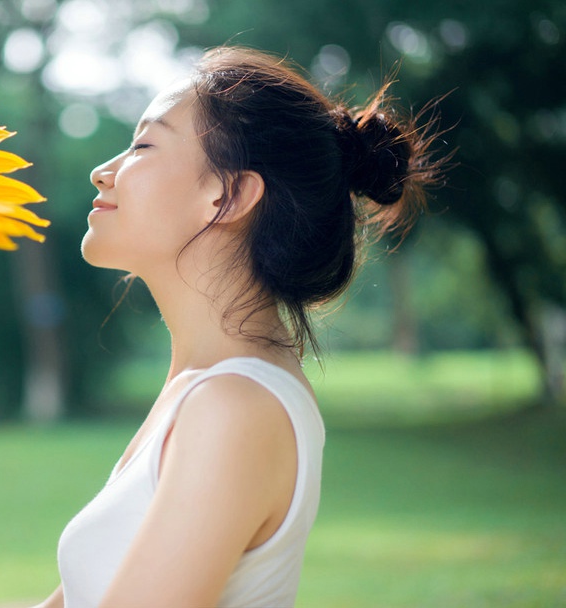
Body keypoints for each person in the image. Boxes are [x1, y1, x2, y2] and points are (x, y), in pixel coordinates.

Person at [36, 46, 443, 608]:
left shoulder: (235, 407)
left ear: (228, 196)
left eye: (143, 145)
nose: (102, 171)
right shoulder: (203, 391)